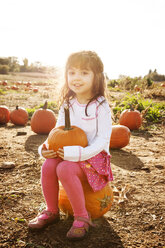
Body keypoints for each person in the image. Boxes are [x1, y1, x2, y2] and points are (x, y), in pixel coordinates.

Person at [28, 50, 113, 240]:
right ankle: (51, 211)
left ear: (96, 76)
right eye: (72, 72)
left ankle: (82, 217)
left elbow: (102, 141)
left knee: (65, 168)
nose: (76, 78)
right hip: (68, 151)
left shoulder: (100, 105)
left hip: (94, 157)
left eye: (84, 73)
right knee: (49, 165)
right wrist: (46, 147)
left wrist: (79, 153)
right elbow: (57, 131)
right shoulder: (68, 102)